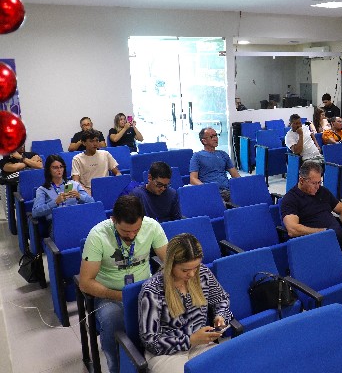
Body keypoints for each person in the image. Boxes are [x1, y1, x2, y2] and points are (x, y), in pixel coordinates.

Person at [79, 195, 168, 373]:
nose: (132, 235)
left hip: (145, 289)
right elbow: (85, 283)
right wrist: (119, 296)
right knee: (114, 322)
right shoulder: (97, 235)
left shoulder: (152, 226)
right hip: (109, 294)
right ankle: (118, 368)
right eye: (126, 231)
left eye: (136, 230)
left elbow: (170, 263)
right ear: (113, 220)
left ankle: (155, 363)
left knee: (170, 314)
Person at [138, 233, 233, 373]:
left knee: (227, 366)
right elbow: (150, 341)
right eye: (185, 270)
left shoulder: (203, 273)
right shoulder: (152, 290)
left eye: (196, 267)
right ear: (170, 265)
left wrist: (220, 316)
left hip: (200, 344)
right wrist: (190, 340)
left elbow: (221, 299)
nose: (192, 274)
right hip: (166, 353)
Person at [280, 161, 342, 254]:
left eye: (319, 182)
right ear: (301, 181)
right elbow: (292, 229)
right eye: (314, 183)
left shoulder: (322, 191)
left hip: (338, 236)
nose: (317, 187)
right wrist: (323, 232)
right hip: (317, 243)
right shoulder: (290, 199)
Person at [32, 154, 94, 230]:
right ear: (48, 170)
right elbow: (35, 212)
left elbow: (92, 201)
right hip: (58, 224)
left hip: (77, 219)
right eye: (55, 167)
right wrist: (55, 203)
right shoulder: (42, 190)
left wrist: (79, 196)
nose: (59, 170)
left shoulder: (74, 184)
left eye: (61, 167)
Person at [189, 127, 240, 201]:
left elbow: (235, 175)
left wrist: (242, 185)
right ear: (204, 141)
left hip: (228, 190)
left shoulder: (223, 154)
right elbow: (193, 179)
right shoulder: (197, 156)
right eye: (212, 136)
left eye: (216, 135)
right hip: (211, 193)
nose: (215, 138)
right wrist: (207, 189)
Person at [72, 129, 121, 194]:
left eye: (97, 140)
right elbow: (76, 181)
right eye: (91, 141)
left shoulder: (105, 154)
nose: (95, 144)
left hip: (107, 188)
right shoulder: (77, 159)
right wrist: (86, 191)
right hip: (88, 190)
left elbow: (117, 172)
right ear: (84, 143)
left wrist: (117, 183)